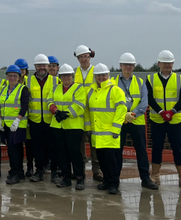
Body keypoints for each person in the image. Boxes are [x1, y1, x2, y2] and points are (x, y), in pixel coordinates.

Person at [146, 50, 181, 189]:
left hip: (175, 120)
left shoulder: (180, 79)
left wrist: (172, 111)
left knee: (177, 149)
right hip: (157, 120)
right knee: (157, 148)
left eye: (170, 63)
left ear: (173, 64)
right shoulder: (150, 79)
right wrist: (160, 111)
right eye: (164, 63)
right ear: (158, 64)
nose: (167, 65)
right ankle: (155, 176)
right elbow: (149, 98)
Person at [115, 53, 158, 190]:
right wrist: (123, 115)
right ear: (120, 66)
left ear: (134, 66)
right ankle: (114, 179)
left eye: (131, 65)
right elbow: (111, 102)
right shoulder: (113, 82)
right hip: (119, 121)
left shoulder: (140, 82)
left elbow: (144, 103)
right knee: (117, 151)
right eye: (125, 65)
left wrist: (132, 114)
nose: (128, 67)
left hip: (136, 121)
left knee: (141, 151)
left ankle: (145, 178)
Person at [86, 63, 127, 195]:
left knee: (111, 161)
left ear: (108, 75)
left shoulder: (115, 90)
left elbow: (122, 110)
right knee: (102, 160)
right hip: (97, 133)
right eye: (99, 75)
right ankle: (106, 181)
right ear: (95, 76)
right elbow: (88, 111)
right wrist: (88, 128)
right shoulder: (91, 91)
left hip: (110, 133)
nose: (101, 77)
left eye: (104, 75)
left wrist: (116, 128)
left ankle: (114, 183)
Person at [47, 63, 87, 190]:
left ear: (72, 76)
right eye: (63, 75)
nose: (66, 78)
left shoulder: (78, 88)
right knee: (62, 153)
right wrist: (55, 111)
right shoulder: (55, 88)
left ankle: (80, 178)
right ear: (60, 77)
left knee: (75, 153)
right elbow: (49, 100)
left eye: (68, 75)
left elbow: (79, 105)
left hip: (73, 127)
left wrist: (66, 114)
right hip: (58, 126)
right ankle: (66, 178)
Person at [0, 65, 30, 185]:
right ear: (6, 77)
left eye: (15, 76)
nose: (12, 78)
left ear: (19, 77)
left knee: (13, 150)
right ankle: (19, 171)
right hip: (6, 124)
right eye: (10, 75)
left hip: (17, 125)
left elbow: (25, 106)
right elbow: (0, 105)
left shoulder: (23, 89)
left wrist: (18, 120)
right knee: (15, 149)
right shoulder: (4, 89)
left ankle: (15, 173)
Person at [73, 44, 103, 182]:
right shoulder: (75, 73)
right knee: (79, 144)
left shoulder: (96, 70)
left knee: (94, 143)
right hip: (79, 112)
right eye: (81, 57)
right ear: (78, 58)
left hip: (93, 112)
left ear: (90, 56)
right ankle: (81, 170)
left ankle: (97, 171)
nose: (84, 59)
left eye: (85, 56)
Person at [27, 54, 58, 183]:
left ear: (48, 66)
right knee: (37, 148)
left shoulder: (56, 81)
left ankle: (55, 173)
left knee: (53, 148)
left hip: (51, 121)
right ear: (35, 66)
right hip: (35, 121)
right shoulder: (27, 80)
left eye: (44, 65)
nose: (42, 68)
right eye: (39, 65)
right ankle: (38, 171)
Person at [14, 57, 33, 177]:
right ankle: (19, 168)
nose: (21, 72)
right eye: (19, 70)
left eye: (23, 70)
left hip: (28, 118)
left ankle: (30, 167)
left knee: (30, 145)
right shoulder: (10, 83)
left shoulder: (30, 82)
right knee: (18, 145)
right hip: (16, 120)